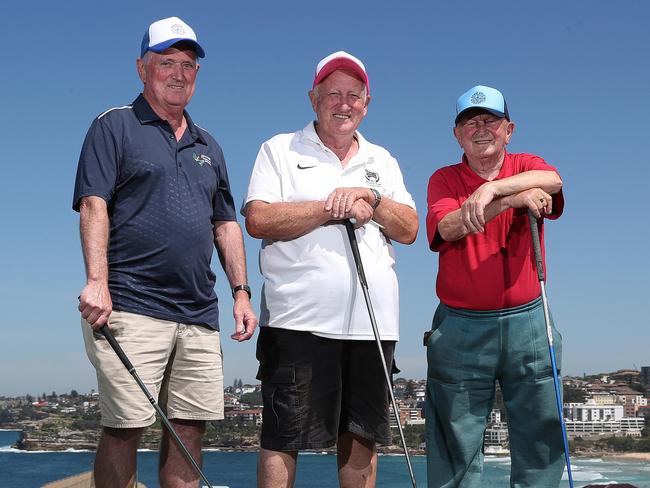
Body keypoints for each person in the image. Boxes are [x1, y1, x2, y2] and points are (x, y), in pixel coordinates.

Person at [72, 16, 257, 488]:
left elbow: (225, 223)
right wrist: (97, 281)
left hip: (197, 312)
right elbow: (94, 205)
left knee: (189, 429)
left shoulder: (208, 146)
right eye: (166, 62)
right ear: (141, 68)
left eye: (188, 65)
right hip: (130, 306)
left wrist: (240, 292)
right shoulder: (113, 126)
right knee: (125, 427)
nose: (178, 73)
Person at [242, 51, 418, 488]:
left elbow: (411, 228)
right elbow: (258, 220)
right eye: (332, 94)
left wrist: (371, 200)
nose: (344, 103)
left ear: (367, 103)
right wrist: (330, 206)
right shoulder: (279, 149)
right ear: (313, 98)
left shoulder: (383, 160)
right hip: (297, 322)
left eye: (353, 95)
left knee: (361, 438)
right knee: (283, 437)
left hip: (372, 327)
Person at [425, 85, 566, 487]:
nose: (480, 129)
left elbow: (553, 180)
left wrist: (492, 188)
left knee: (540, 435)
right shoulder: (444, 178)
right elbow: (449, 226)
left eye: (490, 121)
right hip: (460, 326)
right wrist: (511, 200)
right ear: (457, 135)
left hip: (529, 321)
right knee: (456, 441)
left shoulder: (527, 164)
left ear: (509, 129)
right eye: (469, 122)